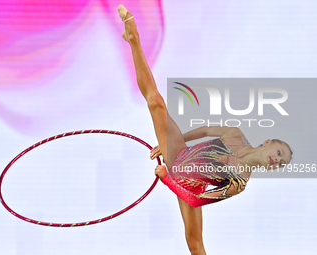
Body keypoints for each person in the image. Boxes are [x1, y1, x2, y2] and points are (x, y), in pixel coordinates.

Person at [117, 5, 292, 255]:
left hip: (188, 186)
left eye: (280, 162)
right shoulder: (234, 134)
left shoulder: (240, 182)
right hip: (180, 154)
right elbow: (204, 130)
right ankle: (133, 37)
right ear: (267, 143)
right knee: (156, 103)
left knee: (196, 246)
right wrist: (170, 141)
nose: (277, 159)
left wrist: (167, 178)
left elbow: (197, 200)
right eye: (279, 151)